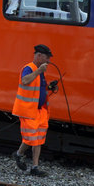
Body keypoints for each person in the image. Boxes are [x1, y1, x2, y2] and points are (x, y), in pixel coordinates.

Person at [11, 44, 58, 176]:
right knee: (31, 138)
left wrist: (50, 87)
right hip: (28, 110)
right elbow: (25, 81)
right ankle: (19, 155)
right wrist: (38, 71)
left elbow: (39, 88)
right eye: (47, 57)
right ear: (38, 56)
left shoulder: (41, 71)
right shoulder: (29, 68)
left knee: (38, 139)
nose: (48, 61)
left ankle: (34, 167)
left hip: (40, 110)